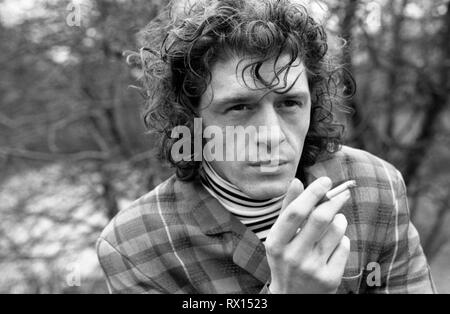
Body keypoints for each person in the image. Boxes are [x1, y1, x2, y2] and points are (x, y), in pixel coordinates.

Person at [96, 0, 436, 293]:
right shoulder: (135, 245)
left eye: (289, 103)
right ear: (191, 121)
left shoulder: (376, 187)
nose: (272, 135)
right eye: (240, 107)